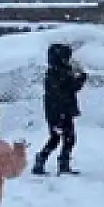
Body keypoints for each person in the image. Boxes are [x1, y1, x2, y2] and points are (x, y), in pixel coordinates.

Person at [34, 42, 87, 176]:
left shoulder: (57, 72)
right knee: (65, 138)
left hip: (58, 111)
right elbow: (71, 88)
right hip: (60, 112)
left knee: (58, 138)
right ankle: (57, 163)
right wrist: (81, 77)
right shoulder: (58, 73)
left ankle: (43, 161)